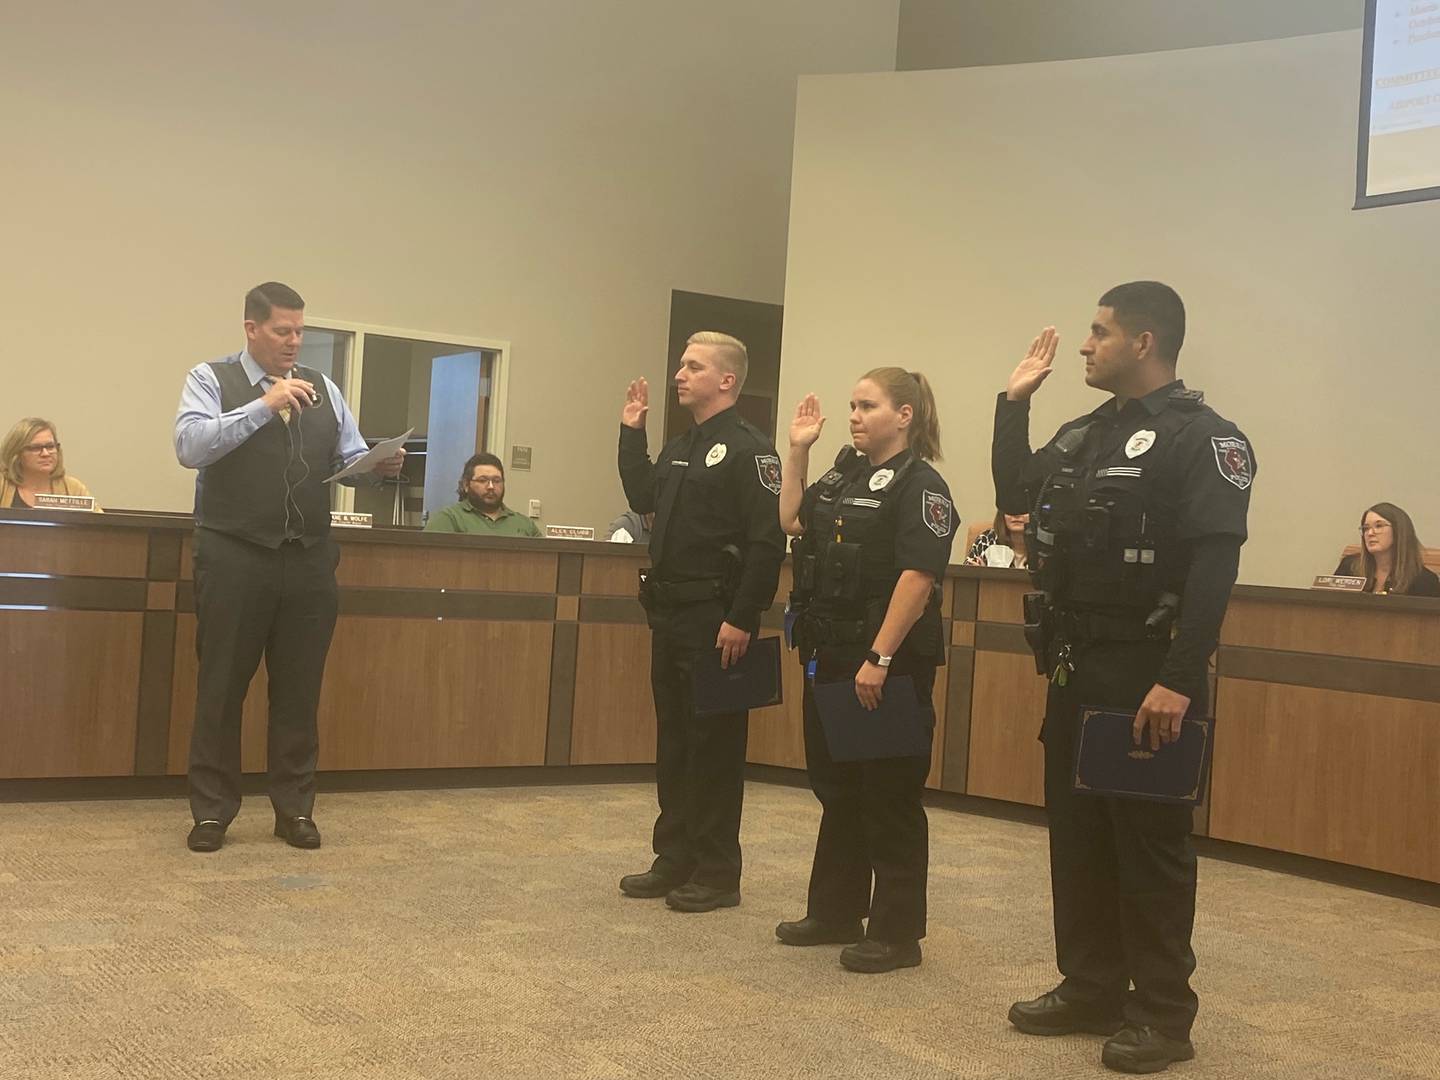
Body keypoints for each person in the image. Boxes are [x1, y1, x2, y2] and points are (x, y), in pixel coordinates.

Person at [993, 282, 1255, 1074]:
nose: (1083, 345)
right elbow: (1013, 494)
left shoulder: (1202, 438)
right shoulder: (1082, 434)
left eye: (1099, 333)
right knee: (1077, 834)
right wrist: (1012, 406)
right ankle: (1091, 985)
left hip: (1149, 670)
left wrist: (1179, 677)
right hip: (1077, 662)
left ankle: (1164, 1015)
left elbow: (1214, 567)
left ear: (1144, 342)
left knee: (1150, 844)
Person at [173, 282, 404, 853]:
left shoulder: (324, 388)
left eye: (300, 332)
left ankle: (294, 809)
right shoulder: (210, 377)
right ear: (252, 329)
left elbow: (347, 454)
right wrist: (262, 406)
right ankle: (212, 813)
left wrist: (378, 463)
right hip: (232, 552)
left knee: (299, 690)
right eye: (283, 331)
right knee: (222, 687)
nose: (294, 342)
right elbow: (190, 446)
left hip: (307, 558)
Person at [776, 370, 955, 974]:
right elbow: (792, 520)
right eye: (852, 404)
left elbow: (918, 578)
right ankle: (834, 911)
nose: (853, 415)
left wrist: (878, 658)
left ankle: (897, 933)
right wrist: (797, 450)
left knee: (889, 795)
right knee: (838, 789)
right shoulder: (844, 471)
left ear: (904, 415)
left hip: (885, 662)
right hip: (831, 650)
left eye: (867, 405)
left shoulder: (921, 484)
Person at [616, 331, 786, 912]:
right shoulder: (681, 445)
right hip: (670, 614)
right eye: (681, 365)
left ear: (726, 380)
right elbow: (644, 495)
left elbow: (767, 543)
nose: (679, 375)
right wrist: (631, 433)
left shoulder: (750, 449)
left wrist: (744, 618)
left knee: (714, 747)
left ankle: (717, 871)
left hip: (717, 618)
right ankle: (675, 856)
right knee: (676, 742)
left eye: (693, 366)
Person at [1333, 502, 1440, 596]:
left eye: (1378, 526)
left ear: (1399, 531)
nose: (1370, 533)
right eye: (1366, 528)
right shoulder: (1349, 567)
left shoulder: (1425, 581)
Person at [424, 452, 541, 536]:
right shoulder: (449, 518)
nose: (491, 486)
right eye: (482, 480)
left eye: (496, 481)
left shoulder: (525, 524)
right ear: (466, 485)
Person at [0, 418, 100, 510]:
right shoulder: (2, 485)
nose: (45, 453)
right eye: (35, 448)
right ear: (17, 454)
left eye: (50, 446)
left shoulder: (73, 488)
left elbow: (98, 524)